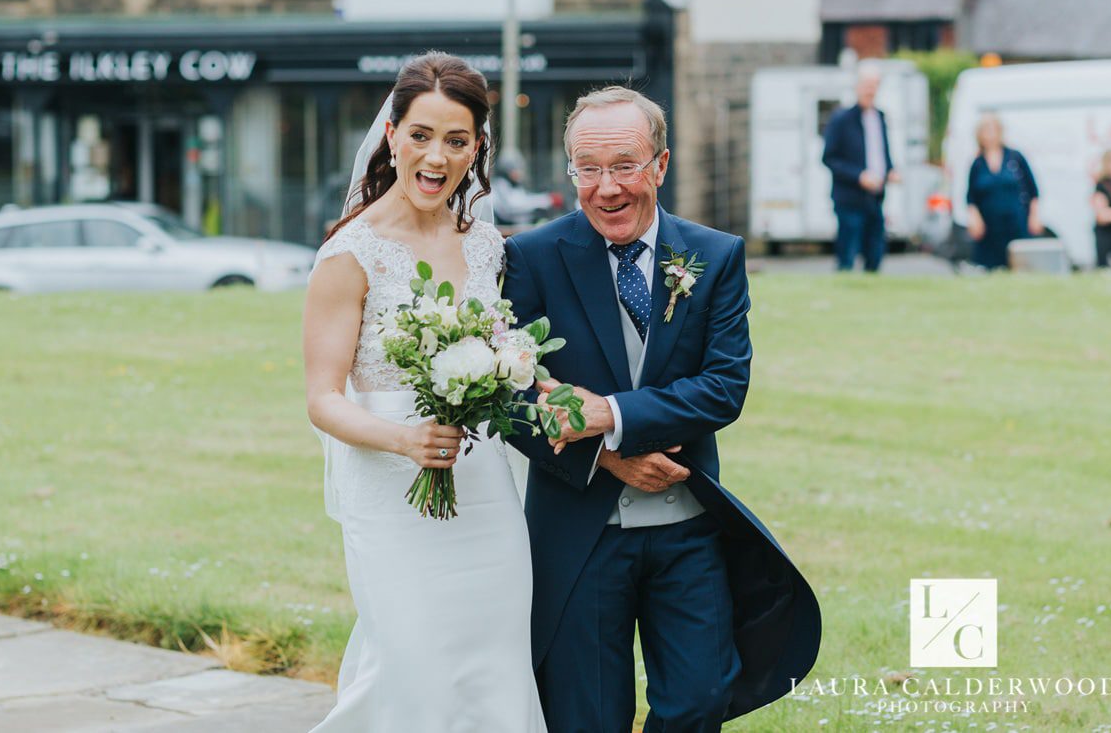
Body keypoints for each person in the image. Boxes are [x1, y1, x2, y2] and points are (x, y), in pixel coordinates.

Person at [502, 86, 819, 732]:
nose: (606, 187)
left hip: (687, 529)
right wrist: (609, 456)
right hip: (578, 534)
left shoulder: (715, 256)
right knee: (587, 716)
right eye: (587, 168)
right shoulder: (531, 257)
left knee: (700, 701)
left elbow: (724, 385)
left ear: (662, 165)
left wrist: (612, 414)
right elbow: (509, 397)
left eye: (624, 165)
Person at [303, 53, 545, 732]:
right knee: (412, 667)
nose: (436, 156)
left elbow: (506, 352)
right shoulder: (349, 254)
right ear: (391, 135)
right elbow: (322, 397)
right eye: (421, 135)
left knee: (493, 663)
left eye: (457, 140)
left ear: (477, 147)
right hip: (389, 489)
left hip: (485, 492)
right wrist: (407, 438)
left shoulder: (487, 247)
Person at [821, 63, 898, 272]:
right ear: (857, 86)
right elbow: (829, 158)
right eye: (866, 85)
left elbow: (882, 152)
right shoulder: (841, 119)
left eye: (874, 85)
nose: (870, 90)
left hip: (875, 196)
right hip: (849, 197)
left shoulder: (880, 117)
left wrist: (890, 170)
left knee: (875, 250)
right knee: (848, 252)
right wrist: (859, 176)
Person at [965, 114, 1042, 270]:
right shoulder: (978, 164)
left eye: (993, 130)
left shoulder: (1015, 158)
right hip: (990, 223)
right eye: (986, 130)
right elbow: (971, 196)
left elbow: (1032, 190)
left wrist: (1035, 216)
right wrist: (974, 219)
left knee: (1019, 262)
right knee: (990, 266)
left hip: (1016, 219)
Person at [491, 153, 564, 226]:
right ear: (507, 170)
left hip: (519, 226)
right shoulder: (500, 185)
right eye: (516, 169)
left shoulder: (514, 185)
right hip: (506, 228)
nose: (520, 173)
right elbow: (513, 207)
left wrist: (547, 198)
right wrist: (546, 200)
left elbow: (525, 199)